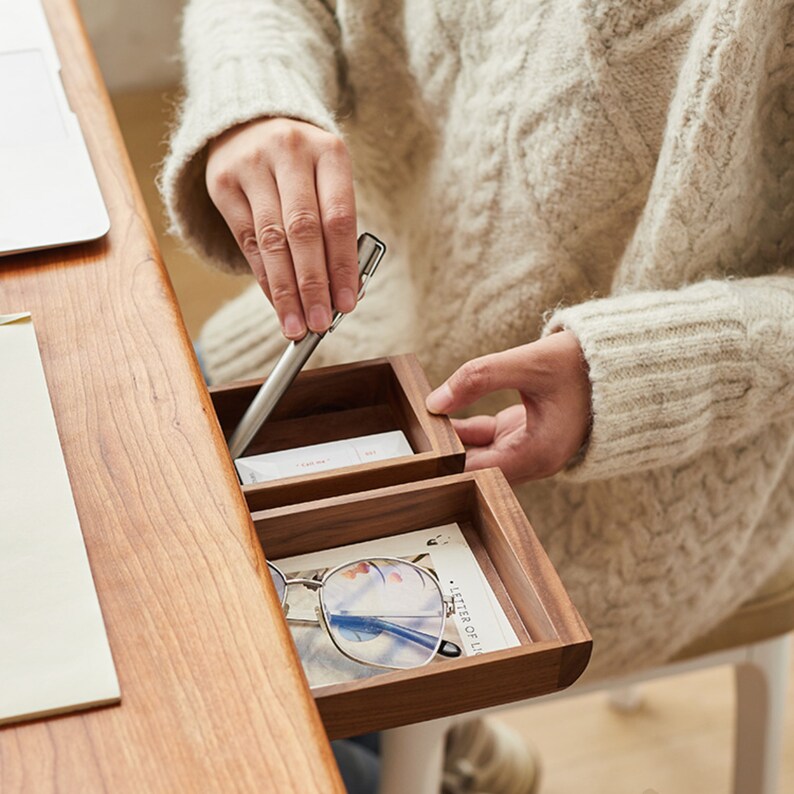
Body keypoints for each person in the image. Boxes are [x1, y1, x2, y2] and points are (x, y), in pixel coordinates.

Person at [161, 0, 794, 789]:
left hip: (627, 477)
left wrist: (629, 375)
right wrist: (251, 101)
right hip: (343, 336)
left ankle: (422, 750)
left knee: (190, 695)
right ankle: (442, 755)